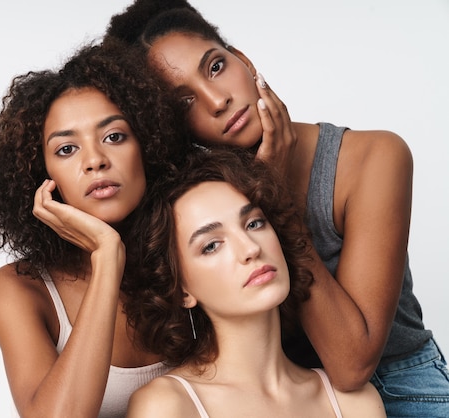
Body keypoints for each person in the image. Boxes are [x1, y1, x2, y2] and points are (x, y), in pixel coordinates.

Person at [103, 0, 449, 415]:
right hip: (282, 397)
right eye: (183, 103)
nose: (216, 100)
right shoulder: (202, 193)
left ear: (244, 60)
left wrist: (275, 196)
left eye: (215, 67)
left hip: (401, 387)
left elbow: (353, 365)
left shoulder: (373, 157)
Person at [0, 40, 192, 418]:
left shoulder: (198, 254)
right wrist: (107, 257)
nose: (95, 161)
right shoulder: (23, 290)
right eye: (66, 149)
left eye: (114, 137)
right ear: (42, 176)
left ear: (150, 146)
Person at [124, 146, 386, 417]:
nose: (250, 249)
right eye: (212, 245)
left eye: (254, 224)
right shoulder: (167, 406)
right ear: (181, 290)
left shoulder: (354, 404)